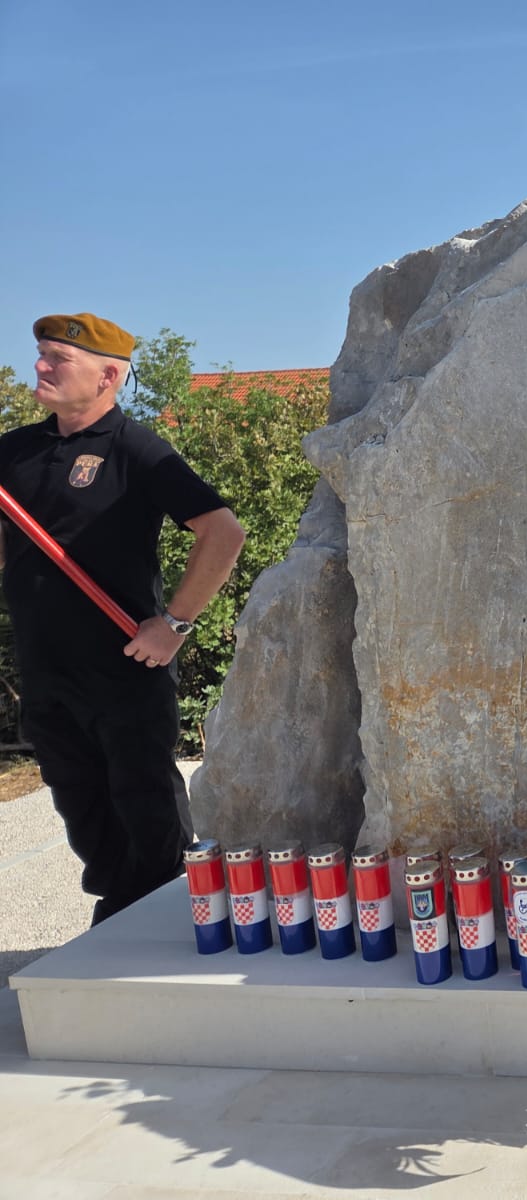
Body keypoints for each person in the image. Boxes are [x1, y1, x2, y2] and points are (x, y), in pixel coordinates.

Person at [0, 313, 245, 924]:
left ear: (107, 376)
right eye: (41, 354)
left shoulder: (137, 450)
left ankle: (172, 917)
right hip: (45, 667)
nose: (41, 366)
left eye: (59, 358)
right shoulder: (13, 451)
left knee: (145, 802)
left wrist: (175, 624)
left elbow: (223, 533)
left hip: (125, 667)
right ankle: (117, 913)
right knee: (79, 801)